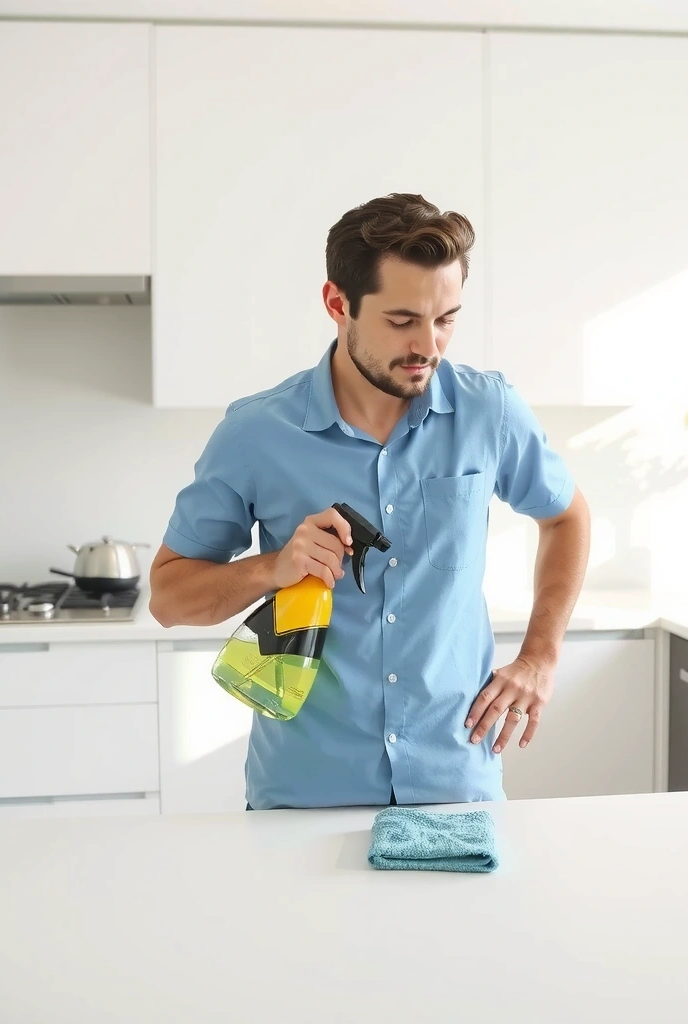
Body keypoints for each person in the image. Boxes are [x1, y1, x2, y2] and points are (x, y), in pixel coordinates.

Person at [149, 192, 591, 810]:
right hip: (304, 789)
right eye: (402, 320)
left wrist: (541, 657)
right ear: (338, 305)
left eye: (446, 319)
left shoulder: (488, 412)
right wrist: (271, 569)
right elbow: (168, 598)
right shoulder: (255, 434)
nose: (428, 346)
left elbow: (566, 516)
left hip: (454, 781)